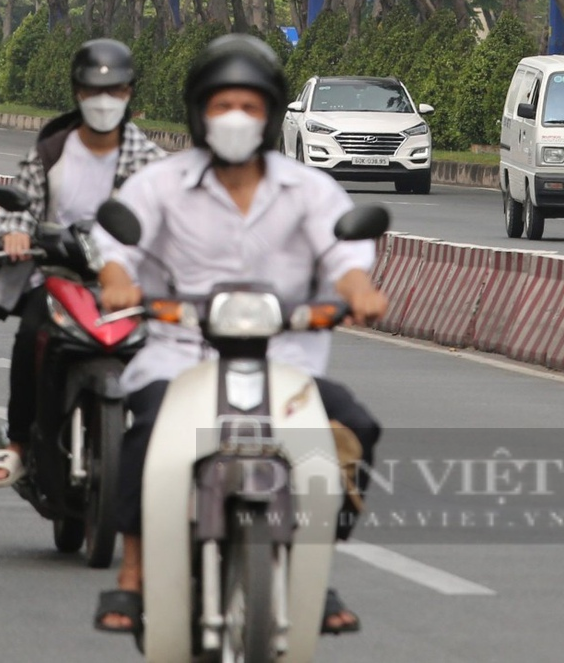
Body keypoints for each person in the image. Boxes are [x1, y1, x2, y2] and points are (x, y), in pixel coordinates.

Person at [89, 35, 387, 639]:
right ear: (199, 112)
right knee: (147, 435)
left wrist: (358, 290)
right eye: (222, 105)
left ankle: (312, 567)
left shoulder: (306, 188)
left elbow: (343, 249)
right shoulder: (162, 182)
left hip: (286, 361)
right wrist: (118, 279)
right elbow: (117, 243)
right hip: (181, 355)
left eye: (249, 107)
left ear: (271, 114)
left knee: (356, 426)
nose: (235, 119)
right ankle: (134, 573)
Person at [0, 38, 164, 488]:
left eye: (115, 91)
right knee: (29, 333)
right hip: (60, 274)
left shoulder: (152, 161)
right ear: (78, 93)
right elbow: (21, 206)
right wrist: (17, 232)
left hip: (128, 284)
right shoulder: (51, 148)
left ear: (130, 94)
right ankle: (19, 442)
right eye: (94, 91)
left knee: (171, 346)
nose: (105, 101)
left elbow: (171, 217)